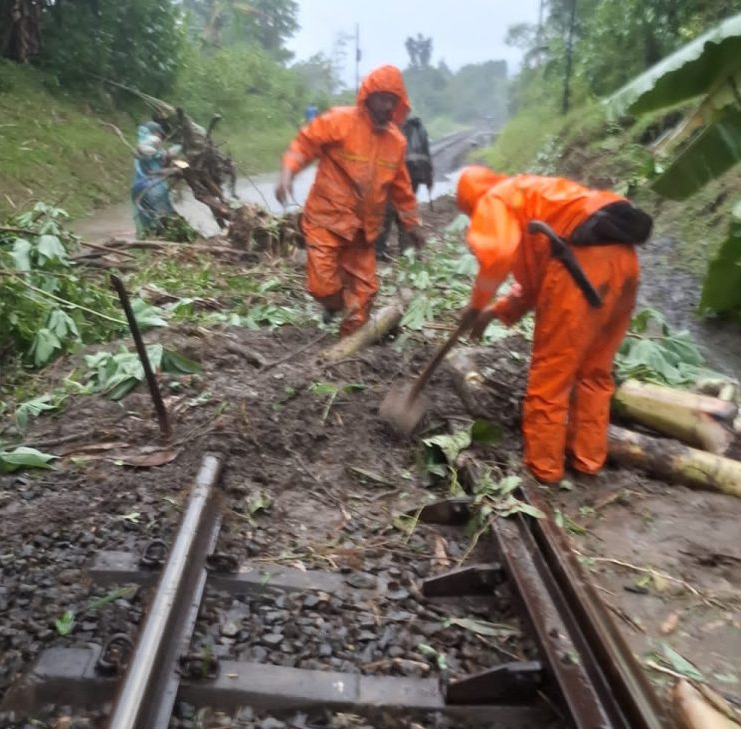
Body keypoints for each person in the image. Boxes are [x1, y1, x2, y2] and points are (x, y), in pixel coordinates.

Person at [455, 166, 652, 484]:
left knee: (551, 377)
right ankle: (588, 460)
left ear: (470, 203)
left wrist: (476, 304)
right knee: (595, 372)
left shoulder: (494, 200)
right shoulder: (531, 195)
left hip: (581, 269)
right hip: (624, 264)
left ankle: (543, 468)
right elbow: (533, 284)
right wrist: (494, 312)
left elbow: (497, 255)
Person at [275, 65, 423, 337]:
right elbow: (304, 144)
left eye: (392, 100)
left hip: (363, 233)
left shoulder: (396, 142)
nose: (387, 106)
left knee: (364, 296)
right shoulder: (339, 121)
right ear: (368, 96)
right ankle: (334, 303)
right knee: (322, 286)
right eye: (382, 98)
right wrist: (287, 173)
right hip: (326, 221)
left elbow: (402, 188)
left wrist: (412, 225)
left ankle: (350, 349)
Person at [376, 115, 433, 260]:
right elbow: (427, 157)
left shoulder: (396, 129)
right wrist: (428, 179)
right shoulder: (421, 131)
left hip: (396, 175)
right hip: (415, 176)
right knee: (407, 211)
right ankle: (407, 251)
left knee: (387, 212)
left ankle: (379, 248)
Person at [131, 121, 182, 238]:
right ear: (154, 132)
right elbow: (160, 156)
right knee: (164, 218)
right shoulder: (150, 142)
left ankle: (146, 240)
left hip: (138, 187)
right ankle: (164, 240)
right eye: (159, 134)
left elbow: (162, 161)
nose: (161, 137)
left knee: (146, 221)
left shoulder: (145, 144)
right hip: (152, 188)